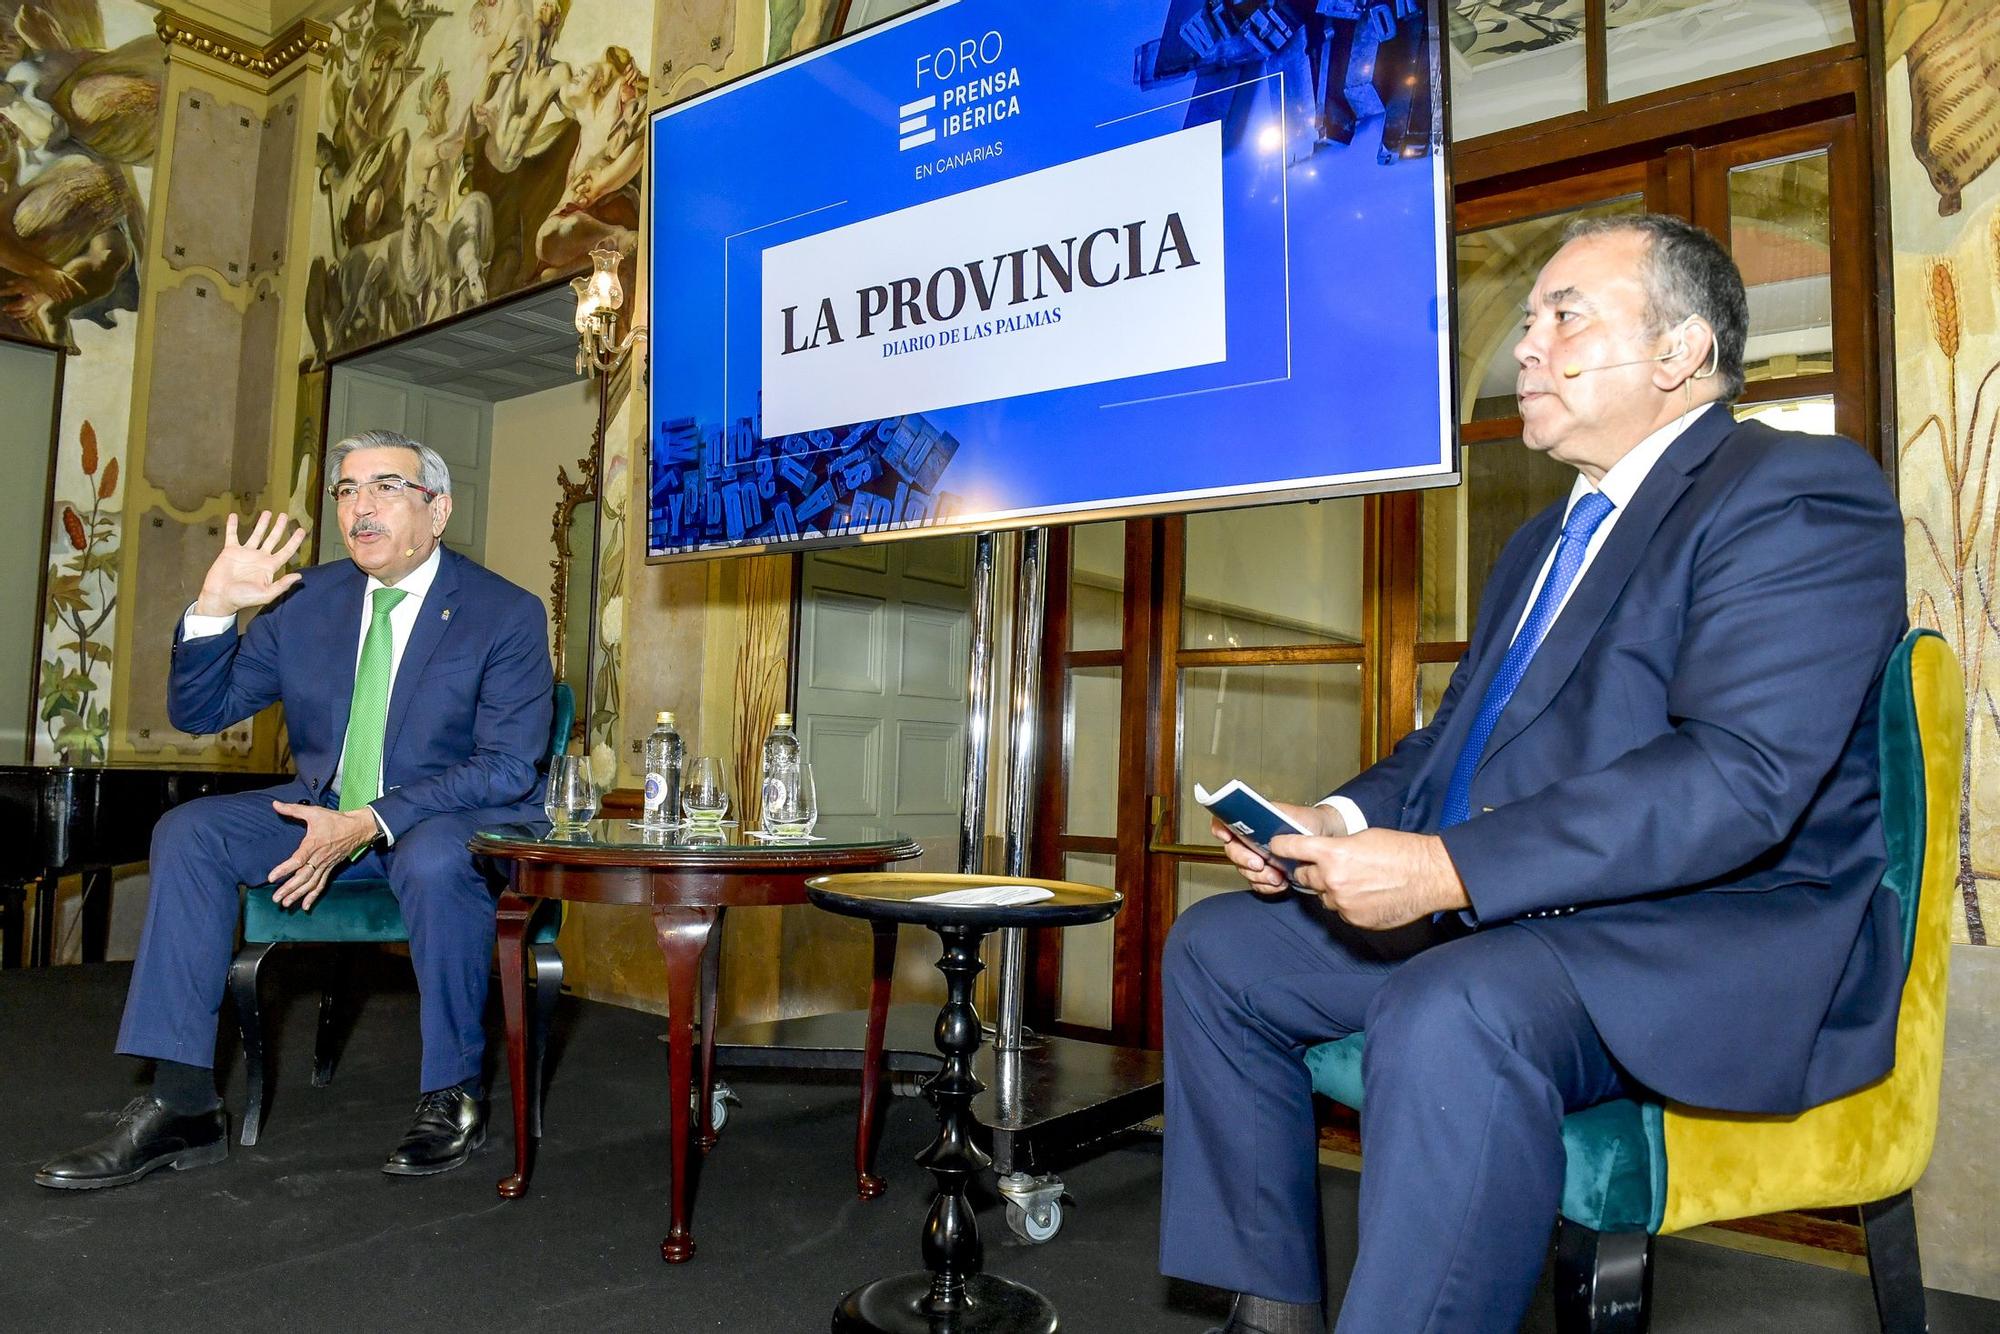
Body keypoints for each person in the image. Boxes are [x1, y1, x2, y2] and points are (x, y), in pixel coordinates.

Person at [1161, 215, 1906, 1333]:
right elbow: (1450, 746)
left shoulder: (1794, 491)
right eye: (1525, 320)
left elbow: (1737, 775)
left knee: (1451, 1003)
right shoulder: (1538, 542)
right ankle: (1269, 1314)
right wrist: (1336, 815)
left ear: (1680, 353)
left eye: (1566, 315)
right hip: (1521, 918)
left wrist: (1448, 867)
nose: (1525, 345)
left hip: (1694, 934)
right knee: (1217, 949)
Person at [36, 429, 554, 1188]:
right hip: (322, 812)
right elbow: (200, 710)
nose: (359, 507)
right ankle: (183, 1105)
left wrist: (371, 820)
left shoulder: (501, 612)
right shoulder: (309, 601)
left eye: (385, 487)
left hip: (442, 820)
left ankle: (454, 1093)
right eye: (346, 491)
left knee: (434, 853)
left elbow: (507, 766)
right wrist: (216, 606)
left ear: (437, 510)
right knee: (189, 832)